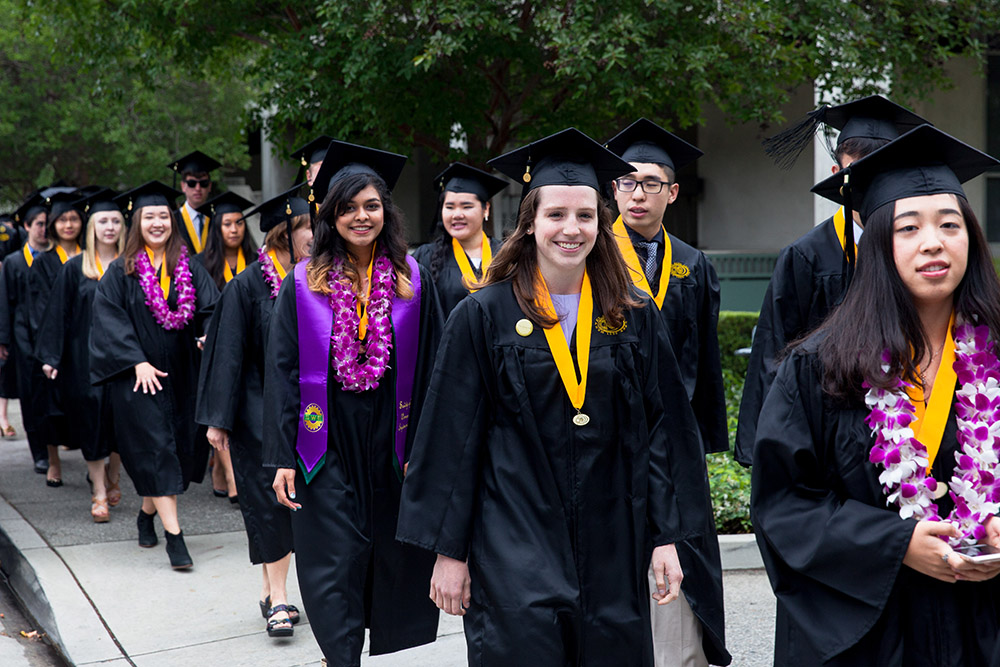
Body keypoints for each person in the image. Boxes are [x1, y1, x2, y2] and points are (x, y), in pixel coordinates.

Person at [397, 128, 710, 665]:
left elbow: (664, 431)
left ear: (601, 223)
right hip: (513, 541)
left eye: (585, 215)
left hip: (615, 541)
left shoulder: (632, 316)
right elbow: (452, 437)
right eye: (556, 215)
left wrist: (666, 537)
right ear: (530, 222)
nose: (572, 229)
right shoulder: (482, 316)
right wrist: (450, 553)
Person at [752, 124, 1000, 665]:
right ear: (878, 245)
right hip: (871, 636)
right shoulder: (819, 367)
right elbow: (784, 504)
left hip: (984, 624)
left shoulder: (997, 354)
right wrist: (895, 543)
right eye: (908, 228)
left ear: (970, 239)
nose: (933, 242)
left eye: (949, 224)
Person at [265, 140, 443, 663]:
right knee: (333, 558)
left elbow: (431, 367)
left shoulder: (413, 279)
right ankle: (340, 657)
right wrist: (280, 456)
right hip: (326, 439)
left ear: (385, 211)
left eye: (371, 205)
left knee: (389, 554)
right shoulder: (303, 283)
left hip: (393, 435)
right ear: (330, 215)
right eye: (347, 207)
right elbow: (282, 371)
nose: (360, 217)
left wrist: (427, 450)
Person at [736, 95, 930, 467]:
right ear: (836, 174)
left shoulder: (919, 250)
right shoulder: (806, 256)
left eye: (882, 173)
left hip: (912, 422)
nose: (868, 187)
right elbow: (775, 349)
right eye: (857, 174)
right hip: (827, 426)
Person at [604, 118, 730, 667]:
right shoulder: (592, 255)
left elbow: (705, 362)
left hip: (674, 436)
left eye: (651, 183)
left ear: (672, 193)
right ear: (613, 189)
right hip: (608, 430)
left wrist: (700, 442)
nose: (637, 193)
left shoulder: (693, 266)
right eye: (627, 182)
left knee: (681, 547)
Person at [196, 186, 312, 638]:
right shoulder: (246, 286)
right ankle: (281, 601)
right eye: (307, 228)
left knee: (293, 508)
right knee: (269, 508)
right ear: (284, 233)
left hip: (308, 415)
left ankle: (269, 589)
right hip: (256, 415)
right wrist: (218, 420)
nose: (316, 236)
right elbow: (226, 354)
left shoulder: (316, 280)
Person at [90, 181, 219, 570]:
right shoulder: (120, 272)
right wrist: (135, 360)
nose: (158, 222)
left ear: (172, 221)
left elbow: (212, 307)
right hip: (139, 381)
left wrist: (206, 334)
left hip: (182, 377)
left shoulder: (189, 266)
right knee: (158, 450)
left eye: (164, 215)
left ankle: (147, 514)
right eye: (150, 217)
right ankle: (175, 538)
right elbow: (107, 320)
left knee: (175, 451)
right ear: (138, 223)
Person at [35, 188, 125, 522]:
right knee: (91, 424)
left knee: (119, 424)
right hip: (83, 359)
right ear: (92, 227)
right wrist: (51, 356)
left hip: (124, 360)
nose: (110, 227)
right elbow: (58, 314)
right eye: (103, 221)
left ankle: (115, 474)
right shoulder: (74, 268)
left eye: (115, 220)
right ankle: (99, 491)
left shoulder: (130, 266)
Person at [193, 190, 257, 502]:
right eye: (227, 224)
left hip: (249, 350)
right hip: (207, 349)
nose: (234, 229)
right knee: (219, 406)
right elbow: (199, 309)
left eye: (239, 223)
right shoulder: (200, 264)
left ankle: (222, 471)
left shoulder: (259, 263)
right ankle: (230, 477)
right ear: (216, 229)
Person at [30, 190, 84, 488]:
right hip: (56, 343)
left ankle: (94, 460)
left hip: (87, 343)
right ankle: (53, 461)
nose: (68, 225)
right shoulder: (43, 262)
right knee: (51, 407)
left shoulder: (91, 258)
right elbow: (38, 309)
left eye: (73, 218)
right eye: (62, 219)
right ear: (52, 225)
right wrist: (51, 346)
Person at [412, 163, 508, 317]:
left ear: (486, 209)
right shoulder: (426, 257)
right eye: (449, 207)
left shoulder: (507, 255)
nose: (457, 214)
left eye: (466, 206)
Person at [0, 194, 50, 473]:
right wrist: (3, 339)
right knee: (30, 397)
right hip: (22, 339)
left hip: (50, 335)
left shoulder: (56, 259)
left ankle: (53, 446)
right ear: (27, 227)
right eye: (39, 224)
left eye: (47, 224)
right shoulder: (14, 262)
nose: (44, 229)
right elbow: (4, 302)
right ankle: (39, 452)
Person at [168, 150, 222, 254]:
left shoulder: (218, 220)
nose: (198, 188)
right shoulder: (172, 221)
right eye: (192, 183)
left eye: (203, 183)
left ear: (209, 186)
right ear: (183, 186)